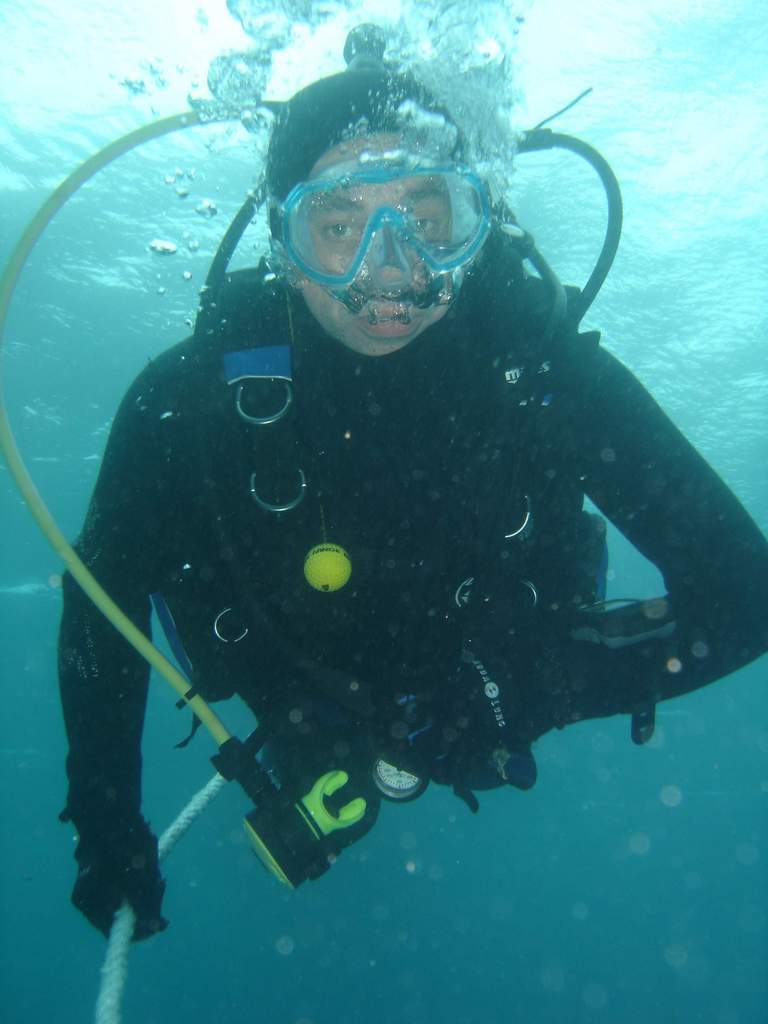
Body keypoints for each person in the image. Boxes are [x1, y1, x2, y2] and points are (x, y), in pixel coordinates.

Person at [58, 30, 768, 940]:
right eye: (339, 228)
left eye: (428, 222)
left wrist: (536, 689)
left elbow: (747, 593)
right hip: (296, 699)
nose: (389, 273)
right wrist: (105, 817)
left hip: (485, 690)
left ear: (478, 224)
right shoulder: (188, 399)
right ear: (285, 242)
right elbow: (101, 602)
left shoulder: (543, 374)